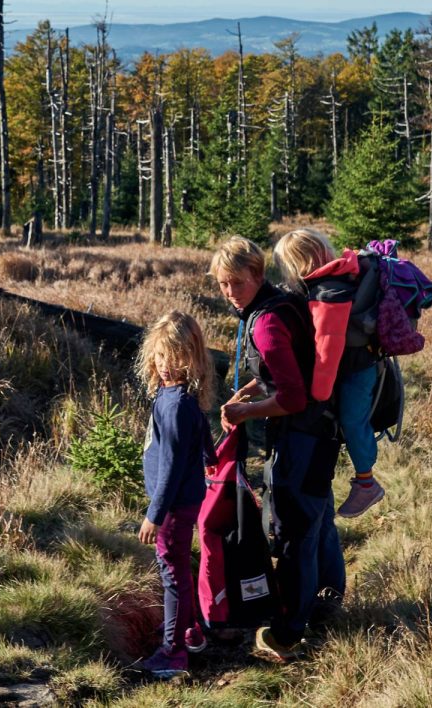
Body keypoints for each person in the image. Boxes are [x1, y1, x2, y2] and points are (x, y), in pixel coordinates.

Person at [212, 236, 345, 662]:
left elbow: (292, 397)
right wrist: (248, 393)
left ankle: (289, 630)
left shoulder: (266, 322)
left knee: (294, 534)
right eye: (221, 285)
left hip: (300, 437)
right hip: (323, 432)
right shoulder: (282, 304)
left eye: (235, 282)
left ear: (256, 274)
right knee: (319, 516)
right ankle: (328, 606)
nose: (229, 292)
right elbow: (280, 371)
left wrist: (245, 412)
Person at [273, 228, 384, 518]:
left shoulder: (328, 293)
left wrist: (317, 394)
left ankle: (367, 483)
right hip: (359, 363)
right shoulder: (338, 276)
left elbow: (328, 349)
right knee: (350, 418)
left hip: (357, 370)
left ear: (300, 263)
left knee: (352, 419)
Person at [136, 310, 217, 679]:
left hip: (172, 506)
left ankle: (173, 651)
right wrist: (211, 457)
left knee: (172, 573)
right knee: (179, 568)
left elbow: (169, 466)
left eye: (176, 356)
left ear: (193, 358)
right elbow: (202, 439)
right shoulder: (179, 397)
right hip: (182, 501)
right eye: (161, 355)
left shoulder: (177, 405)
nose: (166, 364)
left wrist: (154, 514)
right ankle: (189, 630)